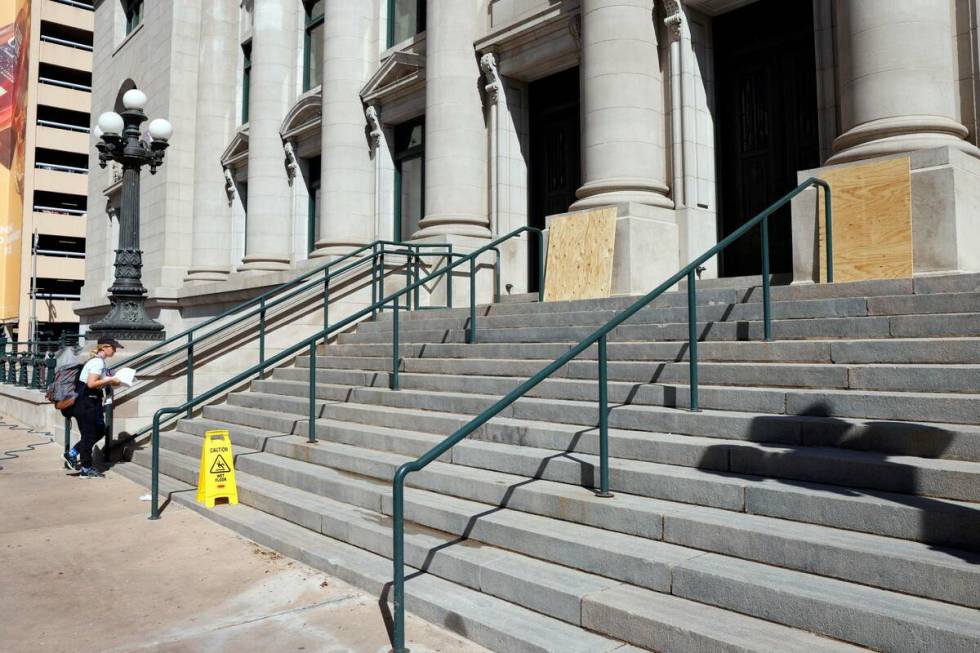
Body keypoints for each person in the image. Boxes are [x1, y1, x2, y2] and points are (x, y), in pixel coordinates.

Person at [63, 337, 123, 478]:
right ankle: (86, 468)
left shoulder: (98, 361)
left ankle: (72, 454)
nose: (115, 350)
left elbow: (96, 382)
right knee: (89, 435)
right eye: (113, 348)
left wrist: (111, 380)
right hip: (86, 403)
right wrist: (110, 379)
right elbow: (91, 383)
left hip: (90, 403)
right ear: (105, 347)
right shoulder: (97, 362)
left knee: (100, 431)